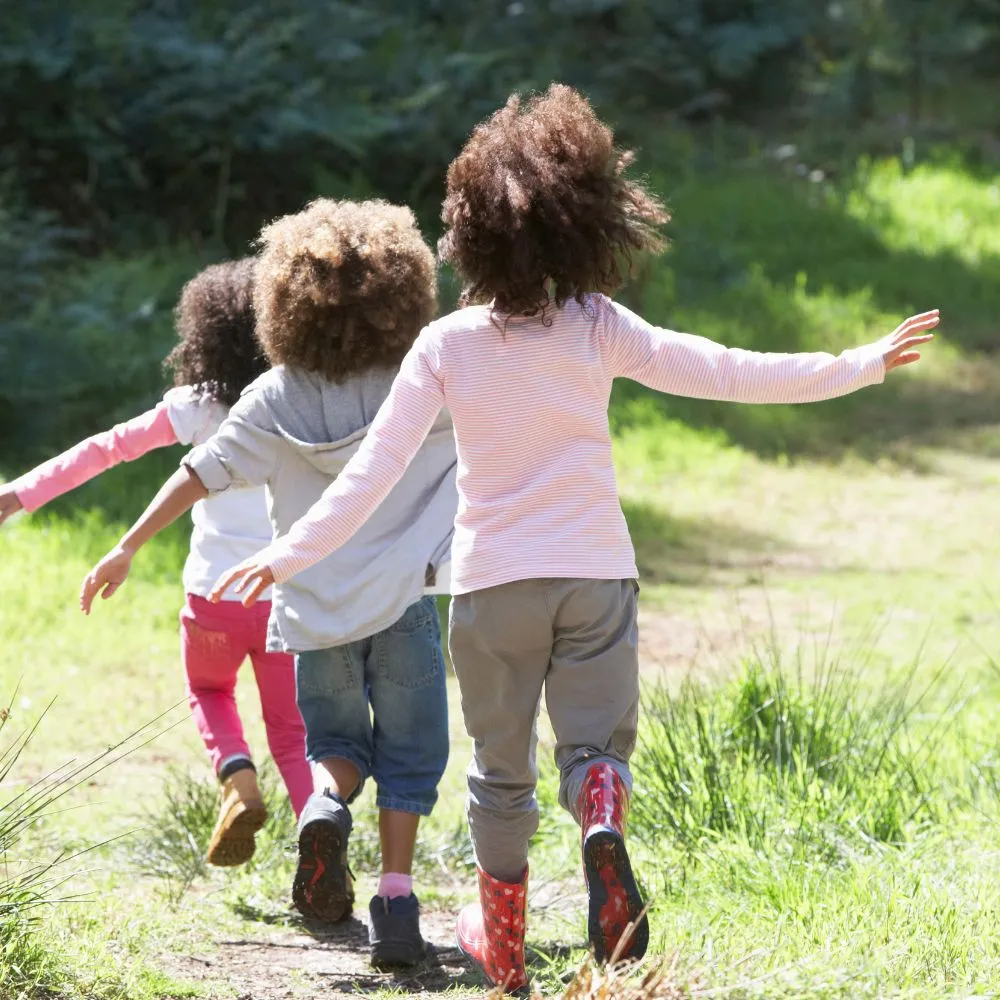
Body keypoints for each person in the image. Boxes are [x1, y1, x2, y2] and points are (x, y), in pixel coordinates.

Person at [208, 86, 938, 991]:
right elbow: (725, 369)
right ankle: (599, 807)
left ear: (468, 231)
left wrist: (289, 553)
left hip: (492, 589)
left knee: (499, 777)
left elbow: (370, 475)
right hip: (595, 576)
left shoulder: (444, 346)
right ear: (584, 224)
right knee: (595, 748)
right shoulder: (598, 327)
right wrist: (858, 365)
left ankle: (504, 947)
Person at [80, 199, 456, 969]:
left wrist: (125, 545)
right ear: (403, 292)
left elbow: (199, 472)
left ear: (283, 301)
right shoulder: (418, 383)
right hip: (404, 605)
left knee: (336, 746)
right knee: (411, 757)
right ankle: (395, 904)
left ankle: (323, 807)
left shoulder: (274, 395)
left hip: (312, 613)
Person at [1, 259, 312, 867]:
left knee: (208, 688)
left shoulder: (200, 407)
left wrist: (21, 493)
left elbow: (108, 448)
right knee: (293, 732)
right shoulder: (299, 402)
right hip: (285, 596)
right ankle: (319, 847)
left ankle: (237, 777)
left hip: (214, 599)